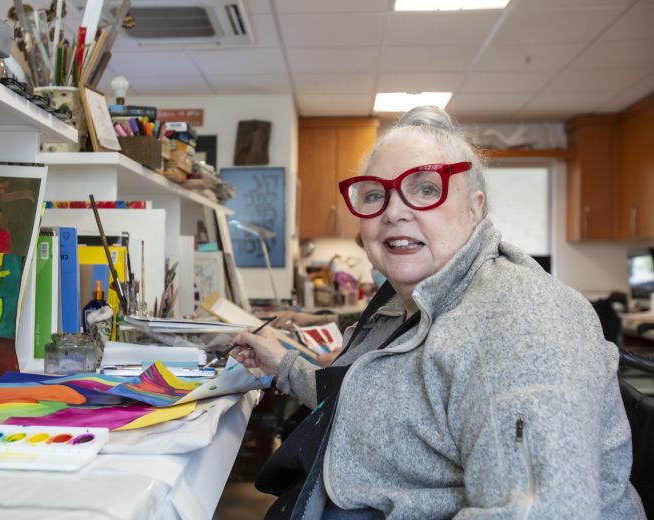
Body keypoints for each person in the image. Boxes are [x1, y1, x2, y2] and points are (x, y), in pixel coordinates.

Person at [232, 106, 644, 518]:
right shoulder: (407, 304)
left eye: (426, 189)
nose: (393, 211)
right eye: (375, 194)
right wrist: (284, 367)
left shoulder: (519, 323)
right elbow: (368, 401)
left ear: (475, 208)